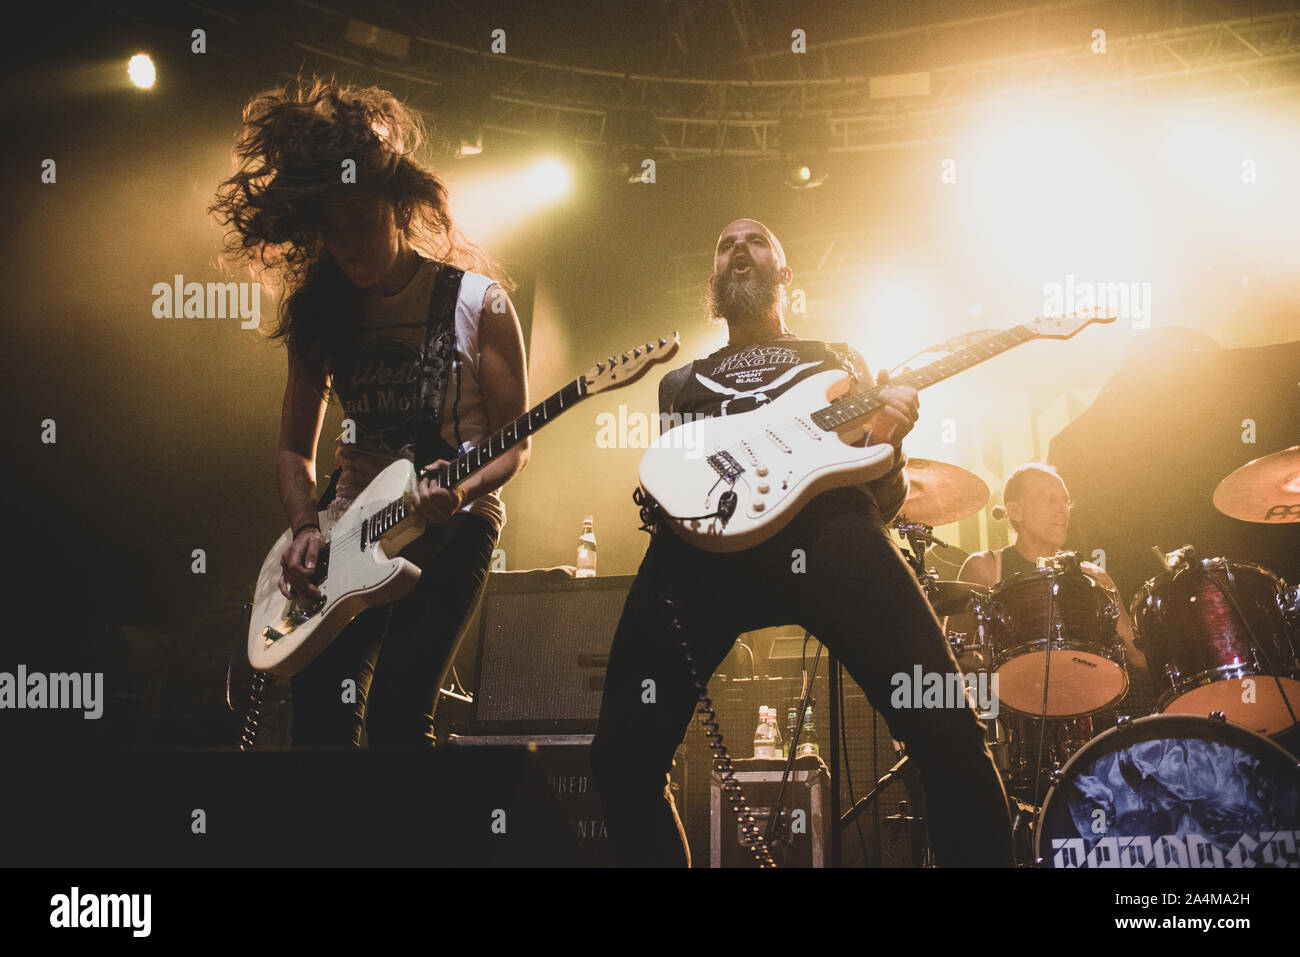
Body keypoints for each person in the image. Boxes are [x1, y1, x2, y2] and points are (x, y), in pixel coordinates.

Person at [590, 218, 1013, 866]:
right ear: (712, 284)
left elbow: (886, 492)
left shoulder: (836, 359)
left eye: (756, 241)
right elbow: (677, 479)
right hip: (702, 556)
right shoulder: (680, 384)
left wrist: (890, 439)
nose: (739, 249)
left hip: (829, 530)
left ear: (784, 275)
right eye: (726, 242)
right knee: (621, 761)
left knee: (948, 727)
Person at [210, 79, 530, 747]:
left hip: (452, 522)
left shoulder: (479, 302)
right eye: (333, 231)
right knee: (321, 714)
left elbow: (513, 440)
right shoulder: (321, 312)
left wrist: (463, 487)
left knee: (396, 716)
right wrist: (304, 525)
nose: (349, 246)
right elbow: (293, 449)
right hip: (347, 527)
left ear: (399, 206)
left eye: (361, 223)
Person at [952, 463, 1147, 674]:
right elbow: (954, 653)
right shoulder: (985, 568)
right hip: (1007, 698)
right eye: (1050, 500)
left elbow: (1136, 655)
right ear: (1016, 511)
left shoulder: (1093, 576)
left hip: (1085, 696)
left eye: (1065, 501)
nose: (1062, 509)